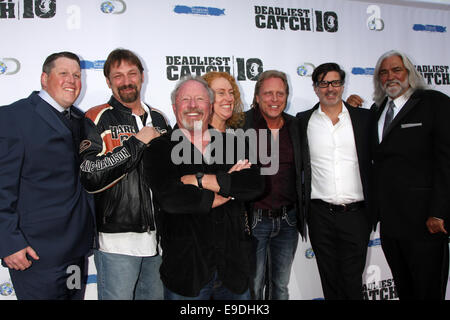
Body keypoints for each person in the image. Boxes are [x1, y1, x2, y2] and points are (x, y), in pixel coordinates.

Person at [142, 75, 264, 300]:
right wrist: (228, 187)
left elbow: (254, 185)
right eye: (185, 99)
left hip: (234, 271)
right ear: (174, 106)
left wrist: (198, 181)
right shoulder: (159, 149)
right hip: (187, 273)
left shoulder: (234, 143)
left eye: (199, 99)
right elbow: (171, 199)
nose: (192, 106)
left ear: (210, 106)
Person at [0, 51, 95, 299]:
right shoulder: (14, 117)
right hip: (35, 253)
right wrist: (9, 242)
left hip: (76, 249)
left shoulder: (81, 120)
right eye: (63, 73)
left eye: (76, 75)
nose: (72, 80)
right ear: (44, 78)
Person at [79, 48, 170, 300]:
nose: (126, 81)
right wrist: (137, 143)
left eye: (132, 73)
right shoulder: (95, 117)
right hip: (117, 240)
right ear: (108, 81)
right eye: (117, 76)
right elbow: (90, 175)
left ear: (142, 76)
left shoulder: (160, 119)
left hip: (159, 240)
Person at [371, 50, 450, 300]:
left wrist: (440, 212)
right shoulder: (378, 109)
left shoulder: (433, 102)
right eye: (384, 72)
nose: (390, 77)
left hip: (425, 222)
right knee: (404, 288)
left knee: (427, 290)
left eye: (396, 70)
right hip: (391, 223)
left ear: (409, 73)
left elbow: (446, 160)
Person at [296, 63, 372, 300]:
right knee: (329, 281)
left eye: (335, 82)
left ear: (342, 85)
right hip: (320, 216)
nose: (330, 88)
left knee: (351, 282)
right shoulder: (302, 121)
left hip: (356, 215)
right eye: (323, 83)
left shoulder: (363, 118)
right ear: (315, 88)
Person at [242, 70, 305, 300]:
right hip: (254, 218)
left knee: (280, 286)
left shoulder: (296, 125)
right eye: (268, 93)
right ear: (257, 96)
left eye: (280, 93)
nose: (275, 99)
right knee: (254, 286)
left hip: (288, 220)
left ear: (287, 96)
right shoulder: (241, 124)